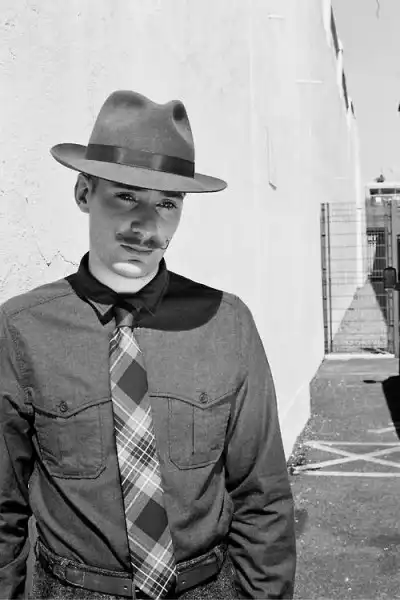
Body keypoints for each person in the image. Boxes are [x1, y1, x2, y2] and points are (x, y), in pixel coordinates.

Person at [0, 90, 296, 600]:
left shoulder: (226, 324)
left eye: (167, 203)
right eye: (126, 196)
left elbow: (262, 497)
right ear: (83, 192)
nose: (146, 225)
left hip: (206, 587)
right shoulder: (21, 329)